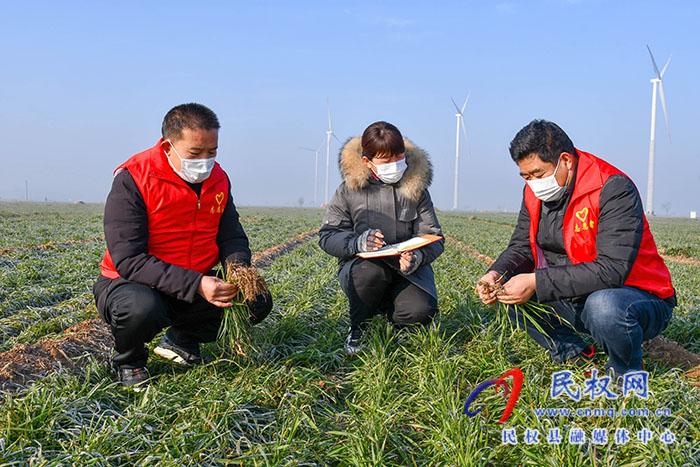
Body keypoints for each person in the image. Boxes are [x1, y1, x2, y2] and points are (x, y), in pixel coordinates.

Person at [476, 119, 675, 380]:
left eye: (538, 174)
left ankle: (625, 375)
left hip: (637, 297)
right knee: (510, 293)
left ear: (566, 161)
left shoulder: (612, 188)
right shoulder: (534, 193)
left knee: (603, 307)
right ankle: (576, 354)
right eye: (526, 177)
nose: (533, 183)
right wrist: (497, 274)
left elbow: (611, 270)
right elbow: (522, 247)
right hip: (576, 294)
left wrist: (537, 280)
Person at [93, 103, 272, 390]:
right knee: (141, 307)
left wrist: (238, 269)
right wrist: (198, 284)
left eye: (211, 152)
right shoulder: (134, 178)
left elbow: (232, 235)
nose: (204, 161)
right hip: (132, 283)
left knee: (255, 300)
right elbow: (129, 259)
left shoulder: (218, 179)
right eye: (194, 153)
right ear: (167, 147)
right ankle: (131, 362)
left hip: (193, 280)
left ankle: (180, 341)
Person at [319, 121, 444, 355]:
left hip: (407, 270)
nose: (395, 165)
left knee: (420, 310)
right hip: (364, 270)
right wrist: (357, 242)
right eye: (386, 161)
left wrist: (417, 256)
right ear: (368, 162)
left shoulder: (417, 189)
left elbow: (434, 237)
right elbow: (328, 236)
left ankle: (396, 320)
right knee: (369, 273)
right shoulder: (348, 190)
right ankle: (359, 328)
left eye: (399, 157)